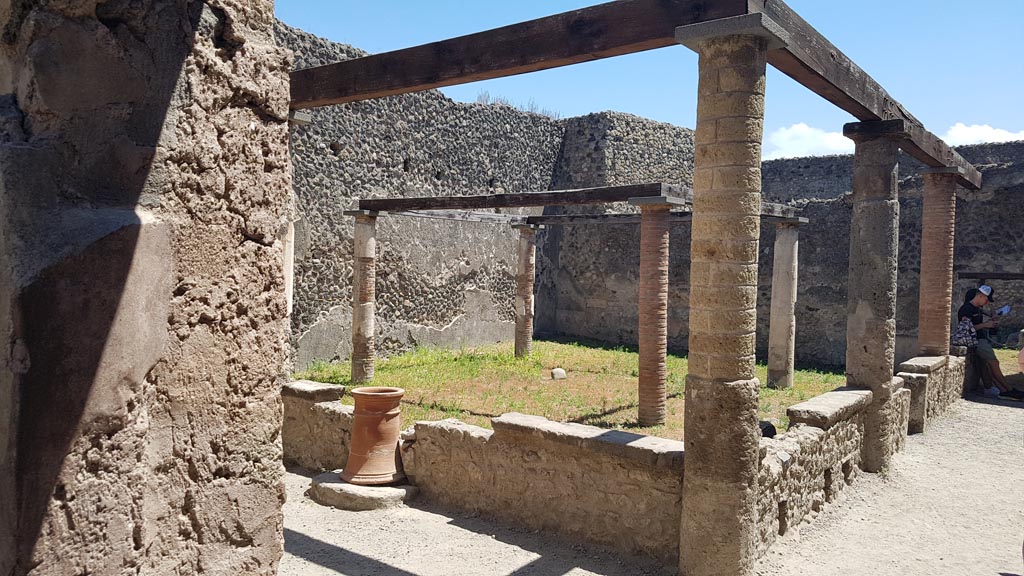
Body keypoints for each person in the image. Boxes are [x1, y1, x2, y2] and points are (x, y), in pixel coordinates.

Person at [957, 285, 1024, 400]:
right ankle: (1008, 389)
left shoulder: (977, 308)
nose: (987, 302)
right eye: (986, 299)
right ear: (980, 296)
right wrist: (985, 325)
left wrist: (988, 323)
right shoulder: (966, 309)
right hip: (977, 341)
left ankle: (1004, 390)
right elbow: (966, 328)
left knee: (989, 366)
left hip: (980, 340)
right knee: (994, 363)